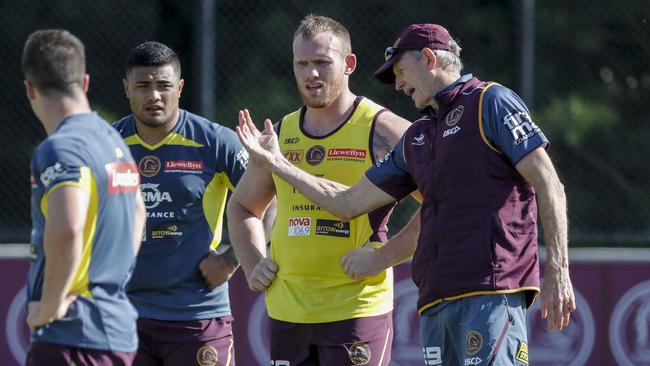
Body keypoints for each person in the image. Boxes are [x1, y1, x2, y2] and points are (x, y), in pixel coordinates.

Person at [235, 23, 576, 366]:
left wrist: (558, 270)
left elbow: (549, 183)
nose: (398, 85)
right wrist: (278, 165)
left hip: (490, 290)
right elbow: (347, 203)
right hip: (434, 298)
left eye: (400, 72)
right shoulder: (418, 135)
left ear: (429, 59)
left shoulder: (490, 101)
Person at [227, 15, 415, 366]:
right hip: (288, 310)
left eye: (322, 63)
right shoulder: (279, 134)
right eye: (302, 64)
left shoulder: (382, 130)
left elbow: (439, 202)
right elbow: (242, 208)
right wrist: (253, 262)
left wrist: (382, 258)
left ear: (349, 64)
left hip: (356, 309)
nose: (311, 74)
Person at [113, 41, 268, 366]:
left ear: (180, 87)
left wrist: (232, 259)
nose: (154, 95)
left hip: (198, 316)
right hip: (123, 316)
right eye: (143, 86)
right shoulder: (107, 145)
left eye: (163, 86)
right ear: (127, 88)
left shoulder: (214, 142)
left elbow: (271, 203)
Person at [22, 29, 146, 366]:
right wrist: (111, 275)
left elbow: (68, 229)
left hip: (72, 337)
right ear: (85, 82)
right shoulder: (113, 140)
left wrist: (50, 306)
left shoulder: (61, 147)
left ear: (30, 90)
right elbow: (138, 212)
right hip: (115, 331)